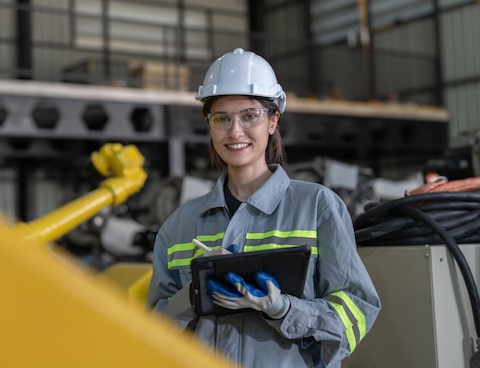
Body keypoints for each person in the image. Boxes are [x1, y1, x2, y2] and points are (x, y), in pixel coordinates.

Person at [146, 48, 380, 368]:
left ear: (273, 121)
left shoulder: (317, 208)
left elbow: (357, 312)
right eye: (222, 119)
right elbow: (149, 331)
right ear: (209, 125)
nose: (235, 132)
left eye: (249, 116)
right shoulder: (179, 226)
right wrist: (193, 294)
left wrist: (283, 309)